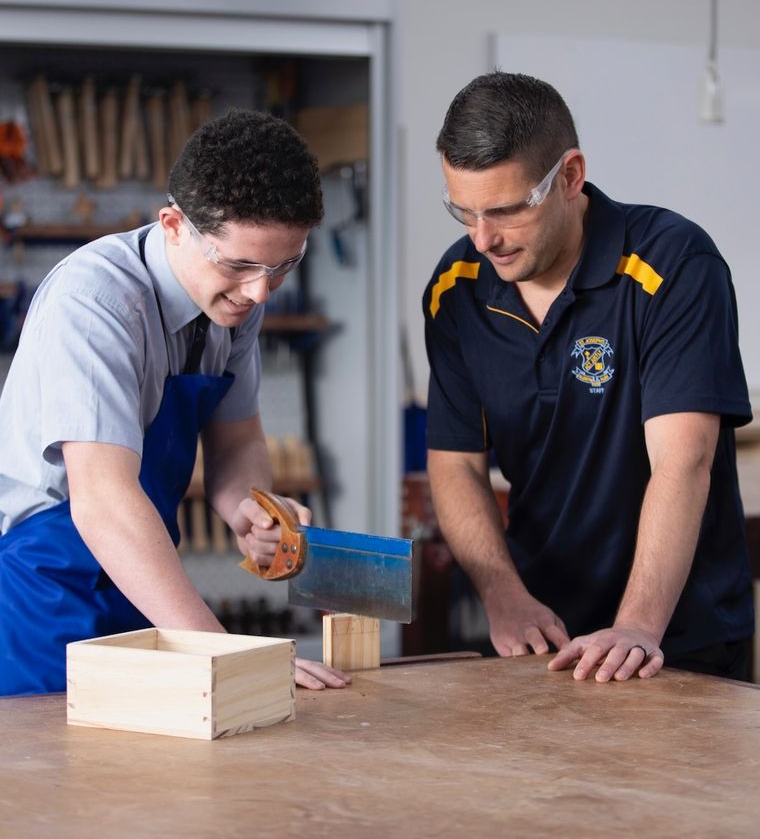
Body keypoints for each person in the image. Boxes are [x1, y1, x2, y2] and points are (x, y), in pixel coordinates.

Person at [0, 109, 350, 695]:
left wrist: (255, 512)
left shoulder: (237, 302)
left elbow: (237, 441)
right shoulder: (95, 303)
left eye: (284, 264)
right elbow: (105, 501)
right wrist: (229, 655)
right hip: (42, 586)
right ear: (173, 224)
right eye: (238, 264)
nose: (260, 291)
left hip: (141, 572)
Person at [423, 71, 754, 683]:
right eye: (463, 211)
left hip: (677, 638)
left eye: (505, 210)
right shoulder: (456, 290)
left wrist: (636, 626)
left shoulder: (673, 265)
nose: (483, 238)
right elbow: (458, 464)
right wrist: (503, 594)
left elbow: (682, 462)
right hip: (545, 635)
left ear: (569, 176)